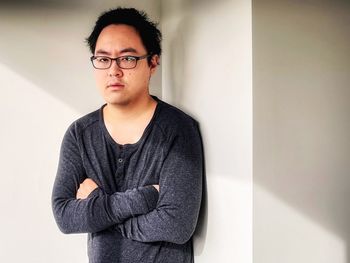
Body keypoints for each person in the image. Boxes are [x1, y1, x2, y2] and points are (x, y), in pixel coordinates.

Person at [51, 7, 203, 263]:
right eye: (103, 59)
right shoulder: (80, 134)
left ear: (152, 62)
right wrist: (146, 197)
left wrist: (98, 206)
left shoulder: (177, 128)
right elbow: (65, 216)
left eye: (127, 58)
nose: (114, 70)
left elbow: (176, 225)